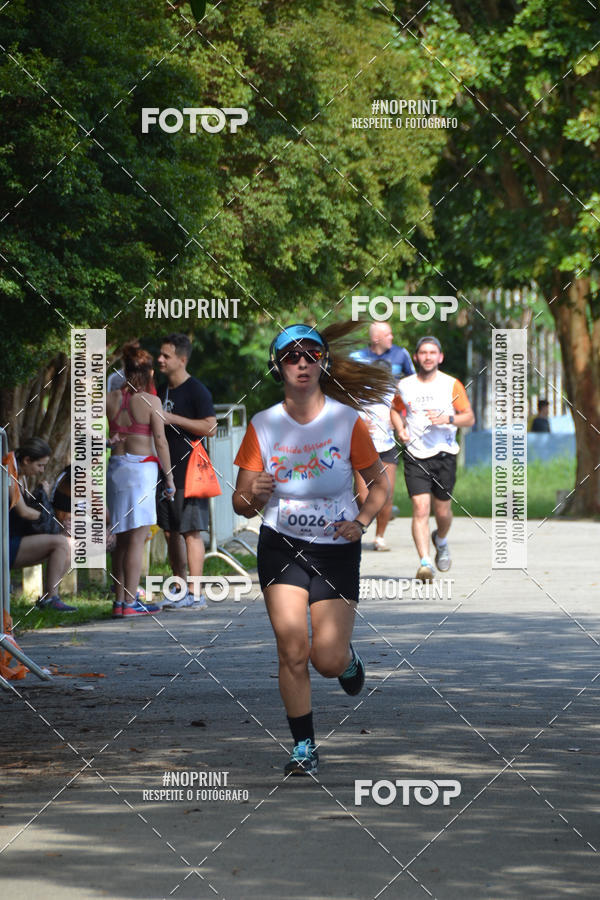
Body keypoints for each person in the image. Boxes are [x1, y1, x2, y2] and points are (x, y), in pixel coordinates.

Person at [233, 322, 391, 776]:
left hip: (335, 548)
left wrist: (361, 522)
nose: (301, 363)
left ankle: (347, 661)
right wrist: (256, 493)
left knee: (325, 658)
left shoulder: (345, 420)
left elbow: (378, 485)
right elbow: (240, 504)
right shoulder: (263, 424)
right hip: (280, 544)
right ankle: (304, 745)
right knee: (292, 649)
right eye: (291, 357)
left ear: (323, 362)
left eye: (311, 355)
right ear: (277, 366)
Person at [394, 336, 475, 582]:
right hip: (416, 454)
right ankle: (425, 563)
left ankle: (440, 539)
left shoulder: (451, 385)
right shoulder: (405, 385)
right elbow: (396, 410)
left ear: (440, 357)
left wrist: (447, 419)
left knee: (442, 512)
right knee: (420, 508)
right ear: (417, 357)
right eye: (423, 352)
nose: (428, 356)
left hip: (444, 454)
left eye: (432, 352)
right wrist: (400, 429)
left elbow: (469, 418)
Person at [107, 342, 175, 617]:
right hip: (141, 471)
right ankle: (130, 602)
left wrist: (106, 441)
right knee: (137, 538)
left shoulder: (109, 398)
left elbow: (86, 433)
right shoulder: (151, 401)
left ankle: (119, 601)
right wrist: (169, 478)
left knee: (122, 539)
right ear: (148, 373)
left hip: (116, 469)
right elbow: (160, 441)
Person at [156, 334, 217, 609]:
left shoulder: (196, 390)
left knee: (191, 531)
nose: (160, 359)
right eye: (160, 355)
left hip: (191, 473)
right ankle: (179, 587)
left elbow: (210, 427)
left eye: (166, 356)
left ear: (182, 359)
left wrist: (172, 419)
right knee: (170, 532)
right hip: (165, 472)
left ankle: (196, 593)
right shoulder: (160, 389)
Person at [351, 323, 414, 551]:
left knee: (386, 494)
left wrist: (399, 424)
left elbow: (402, 407)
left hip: (386, 446)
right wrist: (358, 423)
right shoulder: (357, 396)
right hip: (362, 447)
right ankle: (363, 523)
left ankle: (380, 536)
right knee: (362, 494)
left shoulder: (393, 393)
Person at [6, 437, 73, 611]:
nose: (42, 470)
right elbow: (24, 512)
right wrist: (51, 520)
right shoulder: (8, 474)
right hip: (6, 545)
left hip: (13, 540)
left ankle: (48, 599)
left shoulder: (21, 477)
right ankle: (51, 599)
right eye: (40, 465)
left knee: (65, 544)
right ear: (27, 460)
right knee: (59, 543)